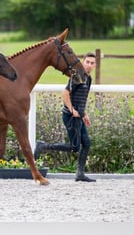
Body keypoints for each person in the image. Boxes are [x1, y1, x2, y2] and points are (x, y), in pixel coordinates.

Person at [34, 52, 97, 182]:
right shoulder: (78, 76)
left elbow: (81, 98)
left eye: (92, 63)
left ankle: (80, 174)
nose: (89, 65)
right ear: (82, 62)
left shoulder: (88, 78)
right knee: (75, 147)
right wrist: (72, 109)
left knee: (86, 143)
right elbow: (65, 93)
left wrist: (84, 114)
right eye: (87, 62)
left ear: (95, 65)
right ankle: (42, 146)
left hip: (78, 116)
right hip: (70, 116)